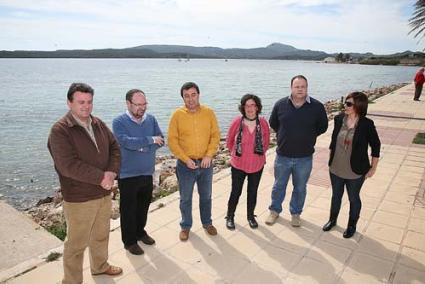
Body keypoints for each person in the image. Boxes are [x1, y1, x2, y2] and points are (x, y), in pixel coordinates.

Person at [47, 83, 122, 284]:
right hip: (79, 198)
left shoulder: (97, 123)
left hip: (103, 193)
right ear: (69, 103)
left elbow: (115, 147)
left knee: (101, 235)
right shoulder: (60, 130)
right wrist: (102, 177)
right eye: (81, 102)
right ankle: (72, 281)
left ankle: (100, 267)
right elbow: (67, 165)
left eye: (89, 102)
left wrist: (112, 172)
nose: (86, 106)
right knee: (76, 245)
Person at [266, 75, 328, 227]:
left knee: (300, 188)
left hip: (304, 157)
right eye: (297, 86)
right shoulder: (280, 104)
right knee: (278, 185)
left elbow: (323, 127)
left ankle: (295, 213)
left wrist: (307, 136)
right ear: (291, 88)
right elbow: (273, 123)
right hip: (283, 156)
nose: (300, 89)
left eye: (303, 86)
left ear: (307, 87)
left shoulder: (317, 107)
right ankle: (274, 211)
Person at [112, 89, 164, 255]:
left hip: (147, 172)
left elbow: (161, 140)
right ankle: (129, 241)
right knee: (128, 210)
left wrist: (141, 146)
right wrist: (149, 141)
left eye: (144, 104)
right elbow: (126, 142)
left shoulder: (151, 119)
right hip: (128, 174)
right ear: (128, 104)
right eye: (138, 105)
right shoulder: (119, 121)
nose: (142, 108)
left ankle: (140, 232)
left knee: (143, 207)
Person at [322, 92, 380, 238]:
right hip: (335, 168)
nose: (345, 106)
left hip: (355, 171)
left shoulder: (366, 124)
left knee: (353, 198)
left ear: (358, 106)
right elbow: (333, 140)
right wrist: (330, 158)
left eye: (348, 104)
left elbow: (376, 146)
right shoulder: (339, 119)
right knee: (336, 196)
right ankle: (332, 220)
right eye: (345, 103)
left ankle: (351, 225)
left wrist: (373, 167)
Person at [168, 82, 220, 241]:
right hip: (185, 166)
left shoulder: (209, 113)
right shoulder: (177, 115)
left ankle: (207, 223)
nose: (190, 99)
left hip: (206, 164)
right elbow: (172, 141)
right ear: (183, 97)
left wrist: (209, 155)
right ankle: (185, 226)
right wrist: (185, 159)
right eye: (186, 96)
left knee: (206, 196)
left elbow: (215, 136)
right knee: (185, 198)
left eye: (193, 95)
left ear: (198, 95)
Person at [225, 94, 270, 230]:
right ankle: (230, 216)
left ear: (257, 107)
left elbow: (266, 142)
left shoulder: (262, 123)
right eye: (247, 105)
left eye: (253, 105)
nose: (250, 108)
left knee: (252, 192)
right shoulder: (237, 122)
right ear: (243, 108)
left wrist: (257, 156)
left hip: (257, 165)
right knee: (236, 192)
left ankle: (250, 217)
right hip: (238, 165)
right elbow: (229, 141)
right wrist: (237, 155)